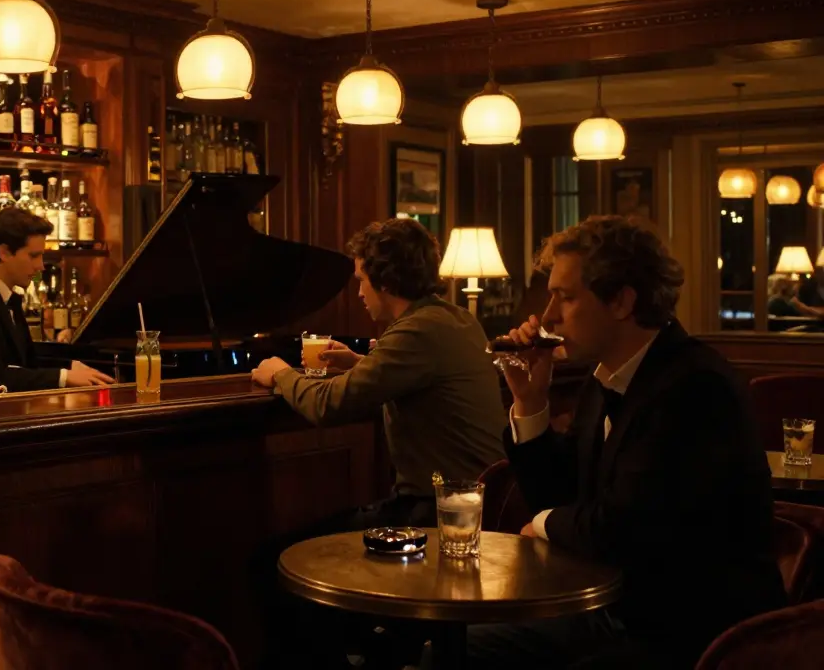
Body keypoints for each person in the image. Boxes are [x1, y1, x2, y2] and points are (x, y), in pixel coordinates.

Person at [477, 215, 785, 668]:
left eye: (565, 296)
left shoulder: (695, 386)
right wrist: (530, 402)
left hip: (696, 634)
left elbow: (622, 530)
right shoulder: (607, 377)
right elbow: (561, 497)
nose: (547, 317)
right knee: (456, 648)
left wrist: (542, 524)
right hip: (617, 611)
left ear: (621, 301)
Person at [250, 218, 506, 669]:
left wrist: (280, 374)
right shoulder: (454, 319)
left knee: (277, 564)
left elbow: (329, 405)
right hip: (472, 509)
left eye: (362, 280)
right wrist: (363, 362)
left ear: (385, 281)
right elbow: (417, 377)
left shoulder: (416, 331)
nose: (359, 292)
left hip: (429, 517)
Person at [0, 207, 113, 397]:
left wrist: (69, 365)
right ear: (4, 252)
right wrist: (63, 377)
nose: (40, 266)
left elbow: (26, 361)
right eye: (33, 255)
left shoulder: (4, 297)